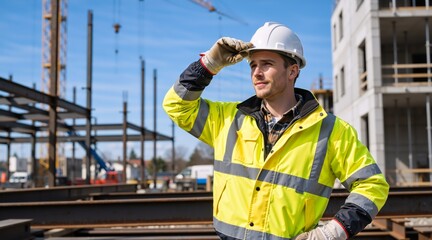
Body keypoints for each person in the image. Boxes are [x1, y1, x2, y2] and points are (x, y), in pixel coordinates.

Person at [163, 22, 389, 240]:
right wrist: (208, 65)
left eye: (266, 64)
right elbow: (177, 106)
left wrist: (333, 233)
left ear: (292, 71)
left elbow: (372, 185)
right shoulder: (228, 119)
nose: (256, 73)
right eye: (253, 65)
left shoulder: (332, 131)